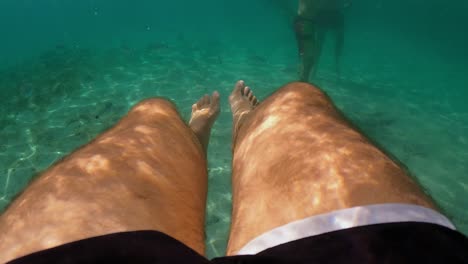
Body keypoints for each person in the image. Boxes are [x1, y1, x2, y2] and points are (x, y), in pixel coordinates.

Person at [0, 81, 467, 263]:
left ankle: (193, 139)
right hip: (388, 252)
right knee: (299, 99)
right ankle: (245, 127)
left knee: (153, 112)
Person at [295, 0, 351, 81]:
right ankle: (315, 69)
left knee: (332, 40)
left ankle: (334, 65)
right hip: (326, 14)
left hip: (330, 13)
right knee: (320, 42)